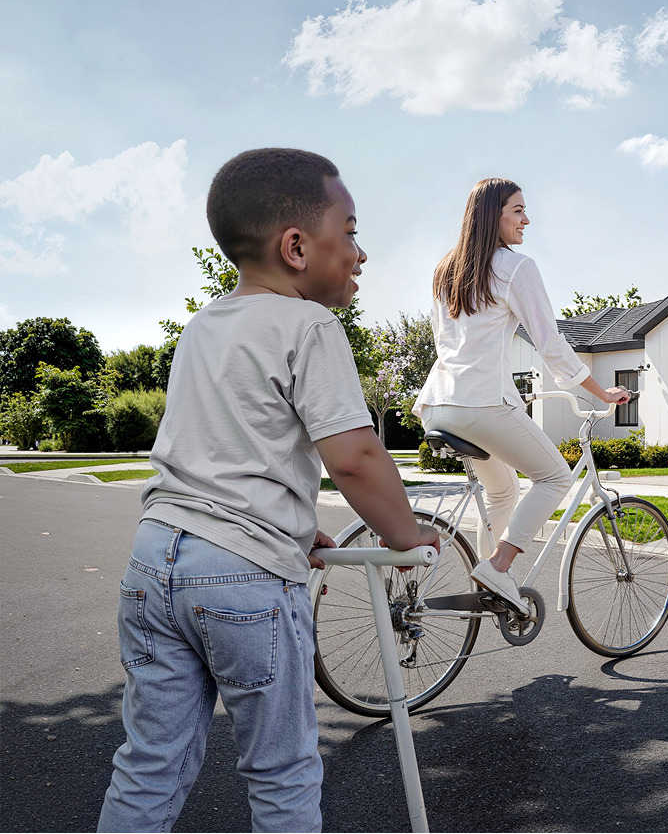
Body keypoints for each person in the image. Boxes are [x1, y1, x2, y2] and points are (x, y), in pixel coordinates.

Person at [99, 149, 439, 833]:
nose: (361, 252)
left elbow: (224, 449)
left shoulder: (202, 326)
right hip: (243, 579)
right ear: (295, 246)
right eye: (348, 231)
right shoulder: (309, 325)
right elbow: (355, 457)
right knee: (281, 770)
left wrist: (289, 522)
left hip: (156, 555)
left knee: (150, 760)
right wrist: (406, 537)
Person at [413, 179, 630, 611]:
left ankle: (488, 588)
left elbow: (446, 342)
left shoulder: (445, 269)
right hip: (481, 403)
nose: (526, 219)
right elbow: (551, 345)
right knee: (555, 477)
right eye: (517, 210)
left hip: (437, 403)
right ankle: (498, 567)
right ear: (493, 214)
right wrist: (601, 392)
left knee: (502, 492)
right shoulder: (516, 267)